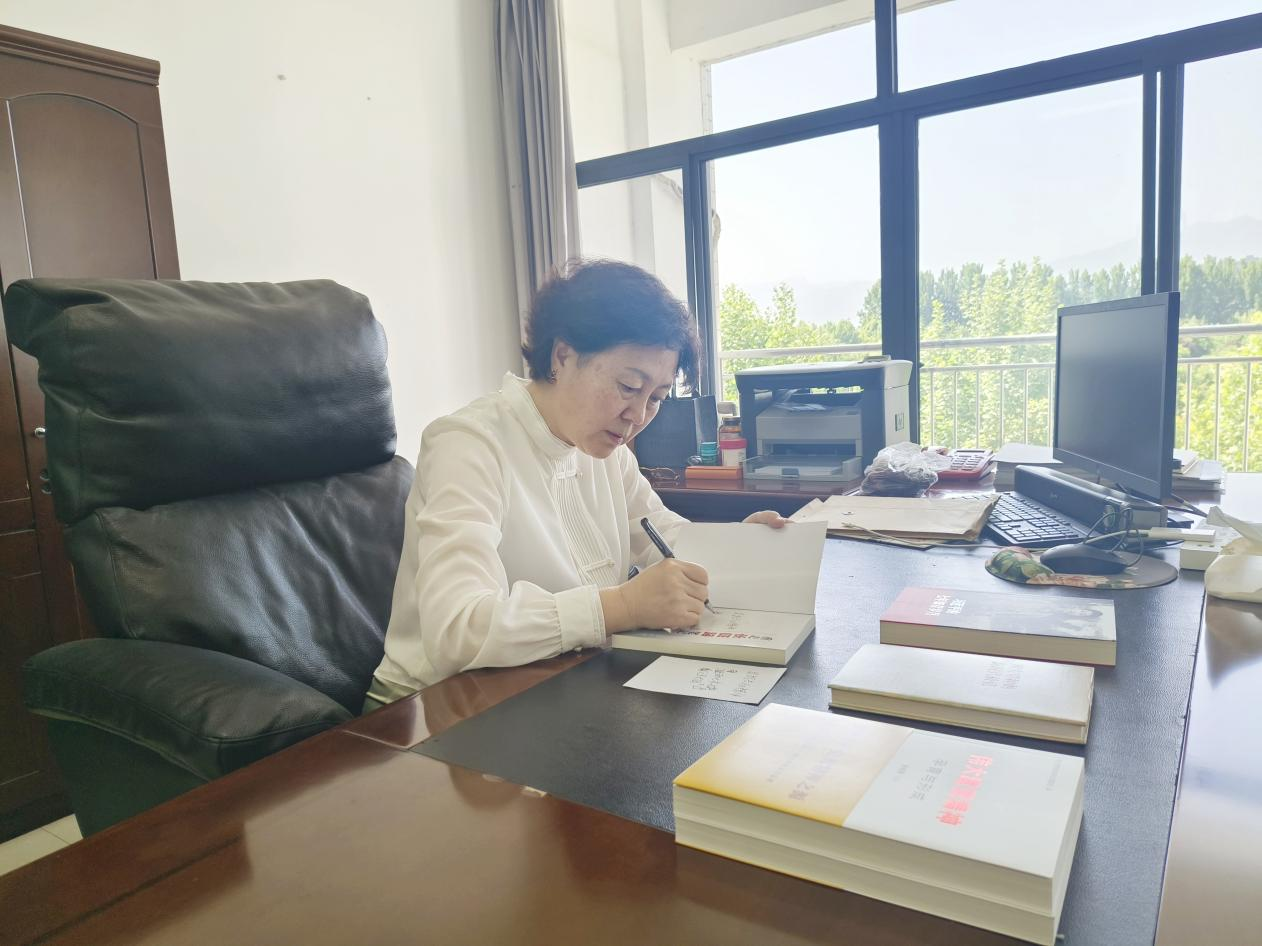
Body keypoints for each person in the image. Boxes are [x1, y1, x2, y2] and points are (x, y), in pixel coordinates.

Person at [366, 260, 786, 709]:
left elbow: (663, 536)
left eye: (657, 398)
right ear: (562, 356)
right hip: (428, 709)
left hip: (551, 683)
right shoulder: (468, 443)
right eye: (629, 386)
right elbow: (457, 629)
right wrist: (622, 607)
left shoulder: (606, 450)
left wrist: (736, 547)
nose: (638, 416)